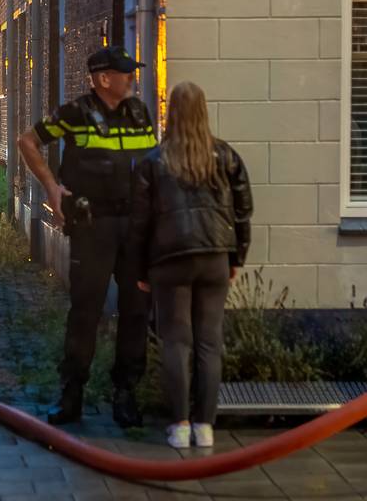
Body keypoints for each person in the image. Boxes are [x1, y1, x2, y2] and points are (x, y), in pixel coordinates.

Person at [16, 45, 157, 427]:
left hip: (134, 228)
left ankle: (125, 394)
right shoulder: (75, 113)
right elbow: (27, 141)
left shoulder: (139, 112)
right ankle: (72, 394)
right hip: (92, 225)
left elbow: (151, 165)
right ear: (104, 79)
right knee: (85, 312)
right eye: (125, 73)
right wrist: (51, 187)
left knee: (136, 311)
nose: (132, 78)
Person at [127, 81, 253, 449]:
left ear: (172, 113)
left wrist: (139, 271)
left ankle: (180, 425)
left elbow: (139, 224)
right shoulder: (226, 157)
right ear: (204, 112)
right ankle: (205, 426)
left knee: (176, 342)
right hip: (214, 258)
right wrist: (236, 257)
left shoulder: (154, 162)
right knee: (209, 343)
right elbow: (243, 211)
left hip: (169, 261)